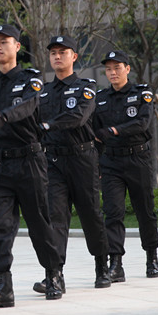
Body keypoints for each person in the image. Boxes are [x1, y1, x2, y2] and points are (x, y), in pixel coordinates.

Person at [0, 23, 65, 304]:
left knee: (39, 222)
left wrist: (4, 116)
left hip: (29, 161)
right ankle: (3, 285)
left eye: (4, 42)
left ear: (17, 46)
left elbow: (29, 105)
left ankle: (53, 275)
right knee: (0, 225)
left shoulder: (31, 79)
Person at [33, 35, 111, 293]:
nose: (57, 56)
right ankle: (54, 275)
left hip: (82, 159)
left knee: (90, 214)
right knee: (54, 217)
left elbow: (78, 117)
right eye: (53, 53)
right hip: (53, 161)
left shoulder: (86, 87)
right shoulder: (43, 91)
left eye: (63, 52)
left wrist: (48, 125)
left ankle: (102, 266)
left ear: (74, 57)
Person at [93, 50, 158, 282]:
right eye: (108, 69)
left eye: (117, 68)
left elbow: (143, 123)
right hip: (111, 161)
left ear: (127, 69)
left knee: (145, 211)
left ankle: (151, 257)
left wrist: (114, 130)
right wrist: (96, 163)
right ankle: (116, 264)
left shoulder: (142, 93)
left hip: (138, 158)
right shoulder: (100, 98)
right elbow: (96, 134)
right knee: (113, 212)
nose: (112, 72)